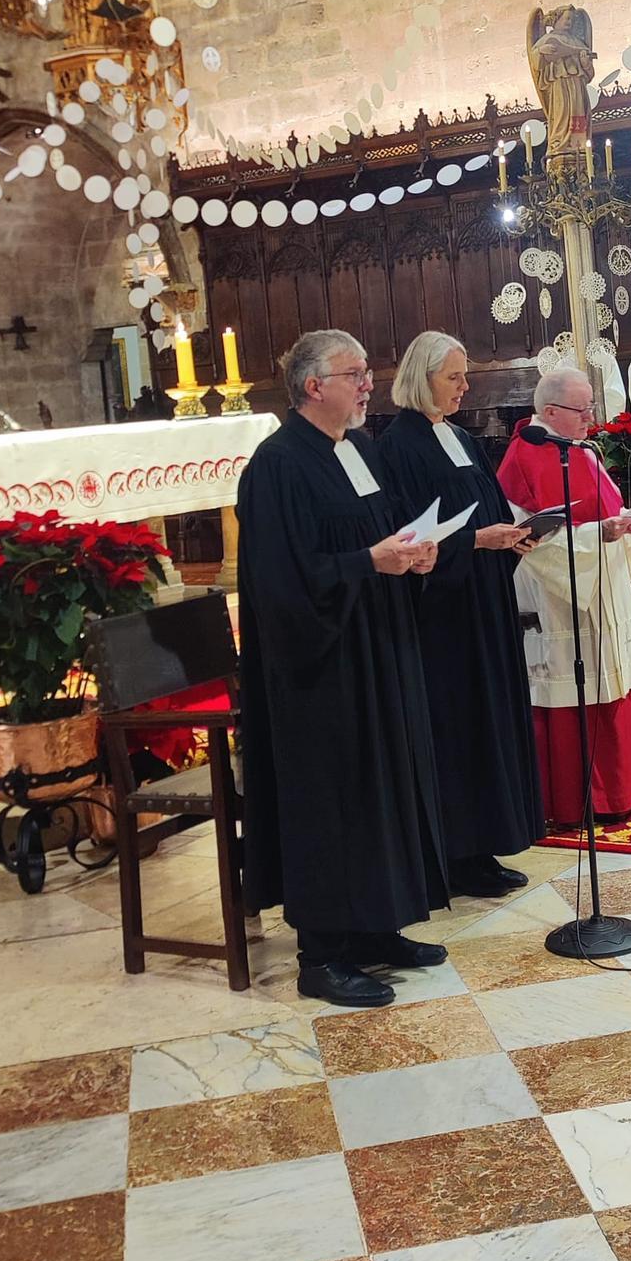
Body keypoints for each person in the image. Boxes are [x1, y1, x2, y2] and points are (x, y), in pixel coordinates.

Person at [237, 330, 448, 1010]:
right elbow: (281, 581)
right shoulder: (277, 466)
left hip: (377, 646)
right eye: (354, 374)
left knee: (381, 788)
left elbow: (384, 532)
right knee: (332, 798)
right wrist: (368, 563)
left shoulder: (356, 449)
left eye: (366, 372)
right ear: (312, 386)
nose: (367, 385)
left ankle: (377, 926)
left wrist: (415, 554)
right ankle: (323, 955)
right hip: (321, 668)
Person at [377, 332, 544, 898]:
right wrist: (474, 541)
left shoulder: (461, 438)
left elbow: (488, 509)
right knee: (457, 728)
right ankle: (455, 853)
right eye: (454, 377)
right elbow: (405, 537)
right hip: (444, 616)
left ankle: (486, 843)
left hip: (484, 603)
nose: (465, 386)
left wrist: (513, 537)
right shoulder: (398, 447)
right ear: (421, 378)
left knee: (488, 722)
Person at [496, 366, 631, 826]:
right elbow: (529, 539)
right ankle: (579, 798)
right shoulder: (523, 457)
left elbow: (605, 510)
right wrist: (599, 535)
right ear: (550, 411)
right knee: (577, 682)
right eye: (582, 409)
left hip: (600, 581)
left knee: (614, 680)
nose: (591, 417)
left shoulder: (580, 449)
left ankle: (628, 786)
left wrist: (627, 525)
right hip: (559, 595)